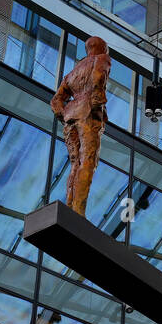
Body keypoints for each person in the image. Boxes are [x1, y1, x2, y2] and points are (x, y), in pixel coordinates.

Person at [50, 36, 112, 218]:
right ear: (102, 48)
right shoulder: (102, 59)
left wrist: (65, 113)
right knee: (87, 161)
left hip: (71, 117)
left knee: (74, 163)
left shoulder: (72, 73)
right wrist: (96, 105)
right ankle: (78, 212)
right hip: (88, 113)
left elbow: (56, 101)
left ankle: (70, 206)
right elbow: (99, 76)